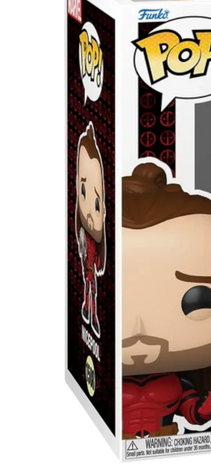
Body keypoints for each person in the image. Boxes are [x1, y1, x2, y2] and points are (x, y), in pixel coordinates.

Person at [122, 161, 211, 438]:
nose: (141, 333)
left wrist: (206, 406)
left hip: (166, 439)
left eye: (198, 301)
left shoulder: (180, 384)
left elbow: (193, 412)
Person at [76, 122, 106, 339]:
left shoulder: (95, 238)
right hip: (88, 263)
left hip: (90, 263)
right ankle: (89, 311)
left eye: (97, 204)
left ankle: (91, 312)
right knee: (90, 285)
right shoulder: (83, 234)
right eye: (83, 190)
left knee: (92, 286)